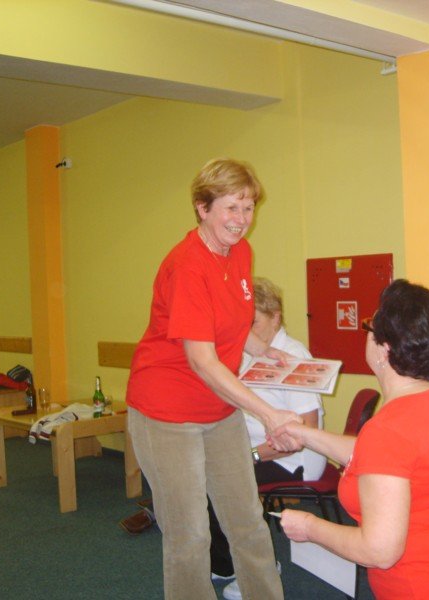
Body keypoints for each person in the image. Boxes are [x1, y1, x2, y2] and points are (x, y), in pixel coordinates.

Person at [125, 158, 300, 600]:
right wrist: (269, 413)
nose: (241, 220)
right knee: (190, 534)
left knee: (247, 521)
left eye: (248, 207)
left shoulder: (240, 253)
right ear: (202, 208)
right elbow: (203, 360)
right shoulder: (187, 265)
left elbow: (229, 321)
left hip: (217, 409)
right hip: (168, 412)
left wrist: (263, 349)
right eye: (231, 208)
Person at [274, 279, 429, 600]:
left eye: (370, 326)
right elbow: (381, 459)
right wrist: (304, 434)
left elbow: (379, 551)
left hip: (426, 589)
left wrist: (309, 527)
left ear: (385, 349)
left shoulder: (388, 429)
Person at [208, 276, 327, 600]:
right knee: (209, 475)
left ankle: (261, 568)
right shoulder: (251, 353)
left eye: (254, 322)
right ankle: (225, 563)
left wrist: (251, 455)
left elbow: (306, 432)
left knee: (228, 481)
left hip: (295, 459)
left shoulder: (293, 356)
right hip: (256, 448)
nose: (247, 331)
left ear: (275, 317)